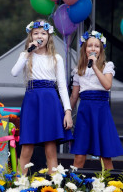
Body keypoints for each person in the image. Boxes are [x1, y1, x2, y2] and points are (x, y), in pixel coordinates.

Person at [11, 20, 73, 174]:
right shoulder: (26, 55)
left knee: (50, 148)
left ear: (48, 36)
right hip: (32, 101)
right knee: (26, 147)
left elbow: (62, 86)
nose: (40, 36)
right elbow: (14, 72)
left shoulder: (56, 58)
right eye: (36, 33)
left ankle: (54, 187)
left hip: (50, 101)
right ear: (31, 36)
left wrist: (68, 111)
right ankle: (18, 187)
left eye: (43, 33)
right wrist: (28, 52)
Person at [70, 30, 123, 169]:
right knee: (79, 155)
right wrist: (67, 112)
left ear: (101, 49)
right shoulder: (78, 70)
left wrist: (94, 66)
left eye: (97, 46)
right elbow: (74, 96)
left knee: (105, 156)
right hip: (85, 111)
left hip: (101, 111)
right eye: (89, 46)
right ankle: (73, 187)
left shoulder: (107, 66)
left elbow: (107, 85)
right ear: (84, 49)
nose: (93, 48)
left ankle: (111, 188)